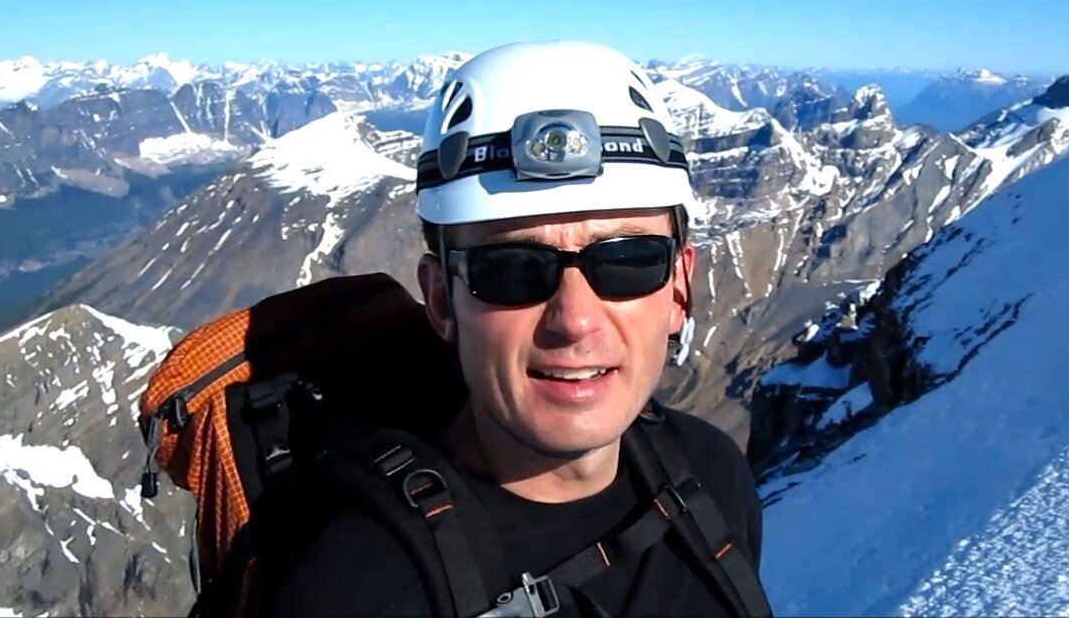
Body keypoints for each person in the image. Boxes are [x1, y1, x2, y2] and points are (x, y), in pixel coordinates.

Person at [259, 41, 773, 617]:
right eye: (510, 272)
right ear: (441, 300)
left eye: (628, 262)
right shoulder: (353, 589)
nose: (575, 320)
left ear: (678, 288)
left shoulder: (715, 479)